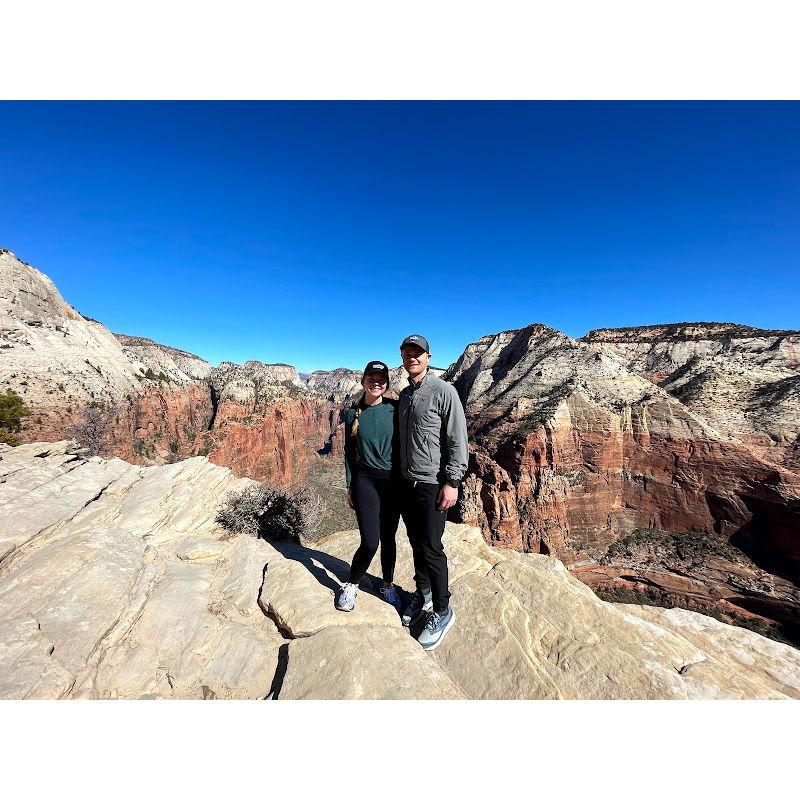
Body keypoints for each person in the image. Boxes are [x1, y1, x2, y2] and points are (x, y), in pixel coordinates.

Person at [398, 334, 468, 651]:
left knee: (431, 548)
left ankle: (442, 609)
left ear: (428, 356)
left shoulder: (444, 392)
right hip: (407, 482)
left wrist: (452, 482)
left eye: (417, 353)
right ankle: (422, 593)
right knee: (415, 542)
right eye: (407, 352)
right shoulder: (405, 394)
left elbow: (457, 441)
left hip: (432, 483)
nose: (412, 357)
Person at [335, 360, 403, 614]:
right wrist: (349, 485)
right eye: (371, 378)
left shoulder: (395, 409)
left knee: (389, 539)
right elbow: (348, 452)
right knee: (370, 541)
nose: (377, 383)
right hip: (365, 481)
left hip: (393, 483)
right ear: (363, 381)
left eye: (381, 379)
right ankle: (351, 584)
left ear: (386, 383)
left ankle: (387, 585)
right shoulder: (353, 413)